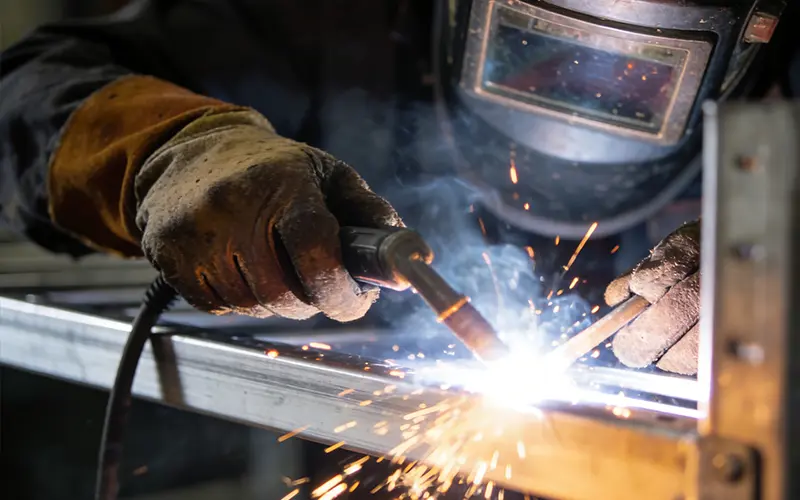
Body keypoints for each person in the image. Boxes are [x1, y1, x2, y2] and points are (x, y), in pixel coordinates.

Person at [0, 0, 795, 376]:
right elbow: (27, 89)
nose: (580, 92)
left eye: (635, 78)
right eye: (532, 49)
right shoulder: (340, 20)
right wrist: (166, 150)